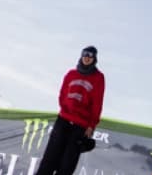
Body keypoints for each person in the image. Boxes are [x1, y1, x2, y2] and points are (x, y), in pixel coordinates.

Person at [32, 46, 106, 175]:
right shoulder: (71, 74)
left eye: (90, 56)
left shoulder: (98, 78)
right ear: (81, 56)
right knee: (49, 159)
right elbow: (62, 95)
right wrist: (66, 110)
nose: (87, 58)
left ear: (94, 59)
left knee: (67, 164)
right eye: (85, 55)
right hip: (63, 121)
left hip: (80, 126)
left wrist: (91, 125)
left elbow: (97, 103)